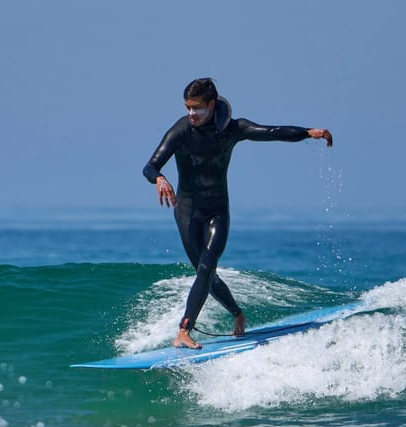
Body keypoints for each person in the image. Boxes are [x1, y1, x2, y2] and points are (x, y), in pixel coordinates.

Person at [143, 78, 333, 349]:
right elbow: (150, 166)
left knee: (208, 266)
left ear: (211, 104)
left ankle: (184, 330)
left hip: (218, 210)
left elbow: (272, 132)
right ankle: (237, 313)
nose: (191, 114)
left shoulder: (232, 130)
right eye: (187, 108)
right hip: (187, 212)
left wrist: (308, 132)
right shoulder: (182, 130)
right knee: (204, 273)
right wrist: (159, 178)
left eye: (197, 108)